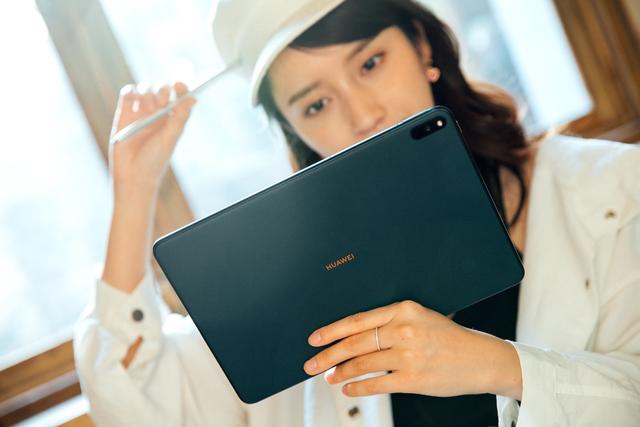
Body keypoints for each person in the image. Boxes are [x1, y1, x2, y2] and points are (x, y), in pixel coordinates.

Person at [73, 0, 640, 426]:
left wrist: (496, 366)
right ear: (295, 132)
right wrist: (134, 188)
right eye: (316, 104)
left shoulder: (612, 188)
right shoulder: (291, 286)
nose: (362, 113)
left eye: (370, 62)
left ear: (422, 45)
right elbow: (137, 402)